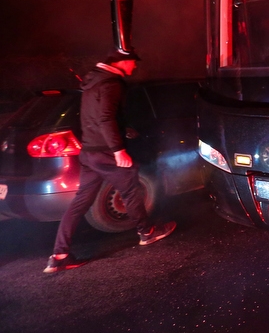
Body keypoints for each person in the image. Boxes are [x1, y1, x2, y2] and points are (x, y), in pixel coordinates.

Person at [44, 49, 176, 273]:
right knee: (131, 187)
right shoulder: (111, 83)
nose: (134, 67)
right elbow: (105, 118)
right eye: (133, 63)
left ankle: (59, 255)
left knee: (80, 203)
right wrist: (118, 150)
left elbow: (95, 117)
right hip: (105, 151)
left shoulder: (92, 82)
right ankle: (147, 233)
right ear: (122, 62)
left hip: (89, 152)